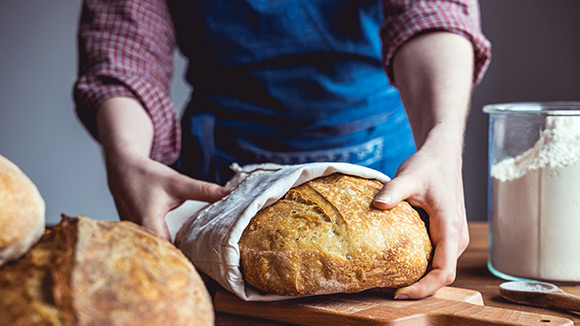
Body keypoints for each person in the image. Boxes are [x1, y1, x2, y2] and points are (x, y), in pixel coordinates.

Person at [74, 0, 491, 300]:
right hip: (220, 176)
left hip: (383, 164)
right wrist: (127, 156)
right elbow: (125, 41)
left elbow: (432, 9)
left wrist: (442, 142)